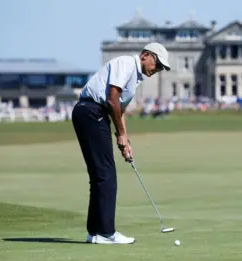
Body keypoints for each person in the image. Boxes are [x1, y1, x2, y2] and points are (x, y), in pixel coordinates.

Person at [71, 42, 171, 244]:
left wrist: (125, 141)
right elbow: (112, 99)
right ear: (145, 55)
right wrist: (121, 134)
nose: (157, 70)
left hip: (92, 113)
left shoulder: (135, 79)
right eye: (157, 64)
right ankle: (106, 233)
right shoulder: (126, 64)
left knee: (101, 175)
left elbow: (120, 109)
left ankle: (95, 232)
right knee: (106, 175)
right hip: (91, 111)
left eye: (161, 68)